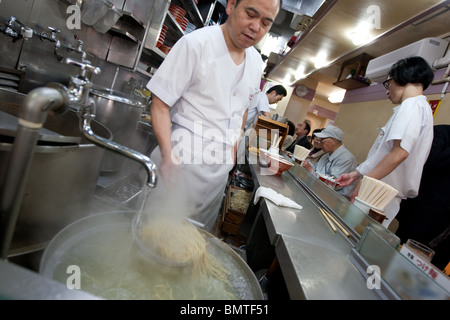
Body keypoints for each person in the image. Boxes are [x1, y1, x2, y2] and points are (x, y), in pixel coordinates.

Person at [146, 0, 282, 231]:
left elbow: (244, 109)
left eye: (266, 23)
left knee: (195, 244)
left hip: (218, 173)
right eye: (250, 14)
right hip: (181, 162)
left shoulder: (256, 62)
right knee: (154, 236)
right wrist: (168, 157)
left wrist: (231, 152)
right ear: (230, 6)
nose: (255, 27)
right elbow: (159, 104)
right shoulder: (196, 44)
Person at [336, 56, 435, 227]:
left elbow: (399, 153)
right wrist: (357, 173)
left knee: (355, 235)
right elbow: (386, 152)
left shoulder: (412, 106)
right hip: (381, 189)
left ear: (402, 77)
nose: (387, 91)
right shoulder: (418, 107)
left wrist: (366, 184)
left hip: (380, 192)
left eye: (388, 84)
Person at [395, 125, 450, 271]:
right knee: (401, 262)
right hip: (422, 216)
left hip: (446, 232)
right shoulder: (441, 133)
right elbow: (430, 159)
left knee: (433, 271)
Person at [302, 125, 358, 199]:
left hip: (334, 199)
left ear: (333, 140)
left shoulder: (346, 159)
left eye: (322, 141)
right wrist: (307, 164)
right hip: (318, 192)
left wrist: (311, 171)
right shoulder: (326, 155)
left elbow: (332, 184)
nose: (320, 144)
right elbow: (317, 169)